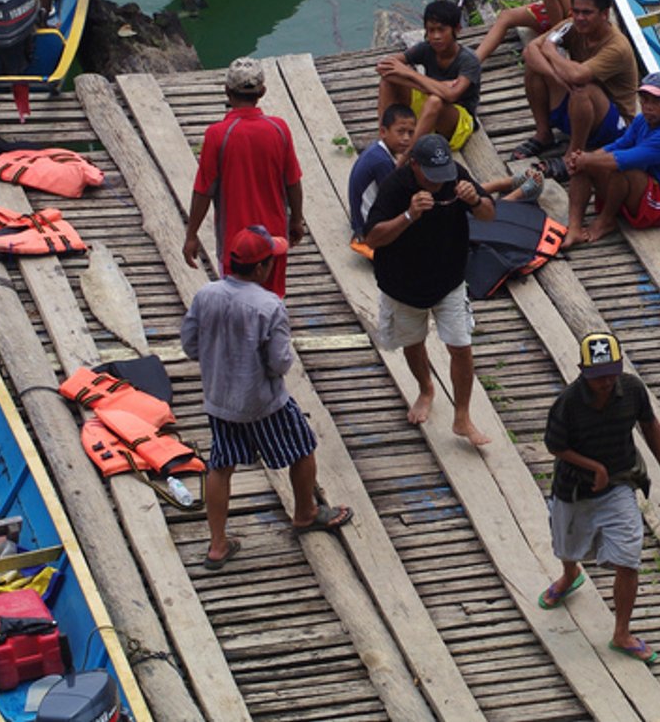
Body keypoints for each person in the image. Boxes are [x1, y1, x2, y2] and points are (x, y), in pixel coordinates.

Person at [181, 226, 352, 569]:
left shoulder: (206, 295)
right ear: (260, 268)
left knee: (221, 466)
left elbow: (190, 345)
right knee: (303, 448)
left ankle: (217, 545)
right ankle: (305, 512)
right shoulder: (268, 306)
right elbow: (279, 362)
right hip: (261, 402)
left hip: (219, 400)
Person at [540, 332, 660, 665]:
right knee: (566, 546)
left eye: (611, 374)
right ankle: (569, 574)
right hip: (575, 488)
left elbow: (650, 426)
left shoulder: (632, 389)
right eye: (597, 376)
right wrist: (593, 467)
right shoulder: (568, 403)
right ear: (582, 371)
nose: (606, 382)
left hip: (621, 481)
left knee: (628, 557)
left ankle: (622, 633)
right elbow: (555, 446)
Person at [362, 133, 497, 447]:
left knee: (460, 345)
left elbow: (489, 214)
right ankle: (426, 388)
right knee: (413, 341)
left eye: (443, 175)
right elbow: (372, 238)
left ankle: (462, 415)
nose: (439, 183)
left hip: (448, 279)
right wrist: (409, 216)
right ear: (414, 166)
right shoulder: (395, 186)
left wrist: (475, 200)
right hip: (403, 284)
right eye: (431, 177)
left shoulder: (456, 176)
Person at [184, 58, 305, 296]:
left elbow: (203, 191)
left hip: (235, 246)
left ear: (227, 91)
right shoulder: (279, 129)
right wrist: (296, 219)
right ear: (262, 92)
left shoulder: (217, 134)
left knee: (236, 304)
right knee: (272, 302)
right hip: (274, 240)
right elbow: (293, 181)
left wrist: (191, 235)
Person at [514, 0, 637, 168]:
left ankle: (572, 154)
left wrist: (550, 52)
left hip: (614, 124)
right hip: (580, 109)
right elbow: (530, 50)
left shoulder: (617, 46)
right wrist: (554, 76)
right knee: (534, 68)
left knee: (582, 86)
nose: (579, 18)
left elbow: (578, 75)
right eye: (576, 11)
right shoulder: (571, 26)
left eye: (587, 13)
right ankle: (544, 133)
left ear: (604, 14)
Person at [562, 71, 660, 246]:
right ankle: (574, 227)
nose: (649, 106)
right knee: (584, 165)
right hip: (636, 190)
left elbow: (625, 158)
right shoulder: (641, 120)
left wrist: (588, 158)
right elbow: (620, 144)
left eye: (657, 101)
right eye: (645, 100)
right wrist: (582, 159)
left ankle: (606, 220)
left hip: (659, 203)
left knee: (624, 168)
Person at [375, 0, 482, 150]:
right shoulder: (426, 49)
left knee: (435, 100)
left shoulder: (469, 60)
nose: (436, 36)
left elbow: (451, 96)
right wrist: (434, 86)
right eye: (431, 31)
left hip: (456, 119)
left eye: (441, 30)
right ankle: (384, 137)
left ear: (456, 29)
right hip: (429, 101)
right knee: (388, 81)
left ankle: (409, 153)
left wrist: (409, 73)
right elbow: (383, 67)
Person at [348, 103, 417, 251]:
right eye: (401, 132)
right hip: (369, 231)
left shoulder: (378, 151)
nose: (406, 138)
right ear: (383, 132)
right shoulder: (382, 162)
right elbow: (398, 199)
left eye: (411, 133)